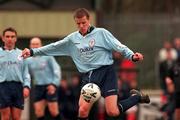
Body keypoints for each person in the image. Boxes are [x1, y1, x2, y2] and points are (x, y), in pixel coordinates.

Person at [21, 8, 150, 120]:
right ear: (75, 23)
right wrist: (32, 52)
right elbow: (53, 47)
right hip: (89, 76)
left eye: (84, 22)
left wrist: (132, 56)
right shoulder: (72, 39)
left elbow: (119, 46)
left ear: (89, 20)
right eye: (78, 23)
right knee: (82, 110)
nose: (82, 26)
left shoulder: (101, 33)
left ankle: (136, 97)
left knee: (112, 111)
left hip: (107, 73)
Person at [26, 37, 61, 120]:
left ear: (41, 45)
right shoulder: (28, 60)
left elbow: (57, 70)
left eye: (37, 44)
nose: (35, 46)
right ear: (30, 46)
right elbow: (26, 74)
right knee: (38, 112)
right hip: (38, 87)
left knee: (53, 111)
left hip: (50, 86)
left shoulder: (48, 56)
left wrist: (54, 84)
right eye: (33, 44)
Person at [0, 27, 31, 120]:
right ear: (3, 38)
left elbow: (26, 72)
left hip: (18, 87)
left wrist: (26, 86)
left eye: (12, 36)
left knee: (16, 117)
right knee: (5, 117)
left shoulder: (22, 53)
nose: (10, 39)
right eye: (7, 36)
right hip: (3, 87)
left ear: (16, 38)